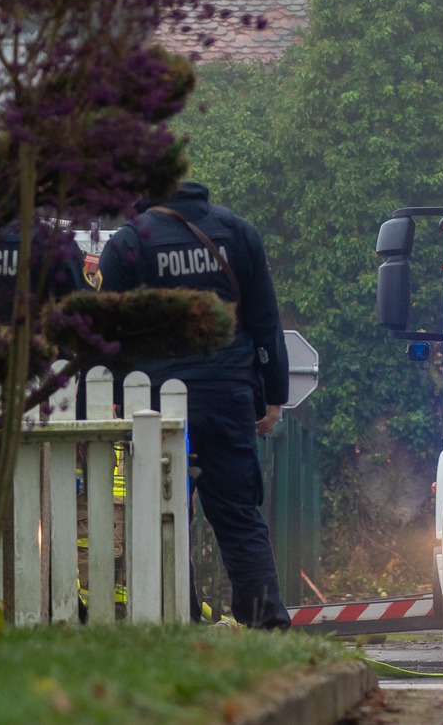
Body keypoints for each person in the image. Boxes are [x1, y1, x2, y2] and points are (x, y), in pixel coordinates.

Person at [96, 179, 292, 629]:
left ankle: (174, 615)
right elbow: (265, 321)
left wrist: (105, 397)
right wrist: (274, 397)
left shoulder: (130, 243)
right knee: (239, 514)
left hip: (155, 405)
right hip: (228, 394)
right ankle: (266, 624)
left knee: (160, 511)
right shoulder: (237, 232)